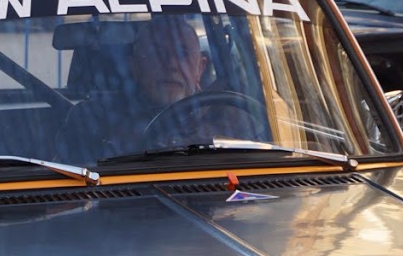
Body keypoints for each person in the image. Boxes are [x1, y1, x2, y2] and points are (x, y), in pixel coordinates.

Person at [59, 15, 258, 162]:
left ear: (200, 68)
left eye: (182, 53)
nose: (171, 64)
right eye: (156, 53)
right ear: (135, 67)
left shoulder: (233, 120)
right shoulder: (93, 120)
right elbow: (69, 198)